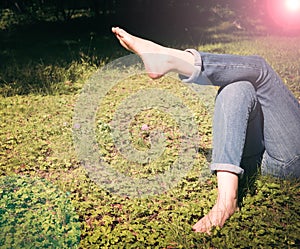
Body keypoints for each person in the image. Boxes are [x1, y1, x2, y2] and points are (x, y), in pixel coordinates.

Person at [111, 27, 300, 233]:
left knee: (261, 70)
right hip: (256, 158)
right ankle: (227, 201)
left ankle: (172, 59)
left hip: (290, 160)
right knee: (237, 86)